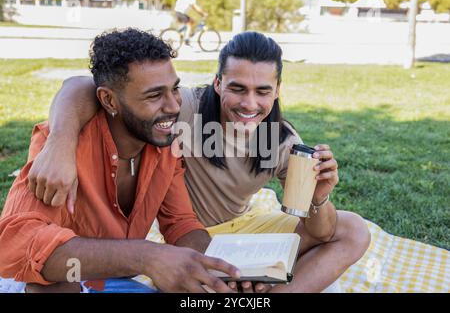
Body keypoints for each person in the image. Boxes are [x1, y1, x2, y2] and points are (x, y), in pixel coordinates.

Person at [26, 32, 371, 293]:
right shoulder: (182, 108)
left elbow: (320, 231)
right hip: (191, 238)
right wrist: (59, 141)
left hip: (240, 234)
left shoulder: (281, 139)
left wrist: (319, 196)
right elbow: (82, 85)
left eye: (262, 91)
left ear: (277, 90)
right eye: (238, 88)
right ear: (218, 84)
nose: (250, 104)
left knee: (353, 228)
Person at [0, 29, 240, 293]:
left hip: (116, 279)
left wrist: (223, 271)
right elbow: (15, 245)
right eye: (154, 95)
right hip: (57, 280)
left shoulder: (164, 144)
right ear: (109, 100)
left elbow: (180, 223)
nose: (173, 106)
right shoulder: (60, 147)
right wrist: (145, 255)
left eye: (174, 89)